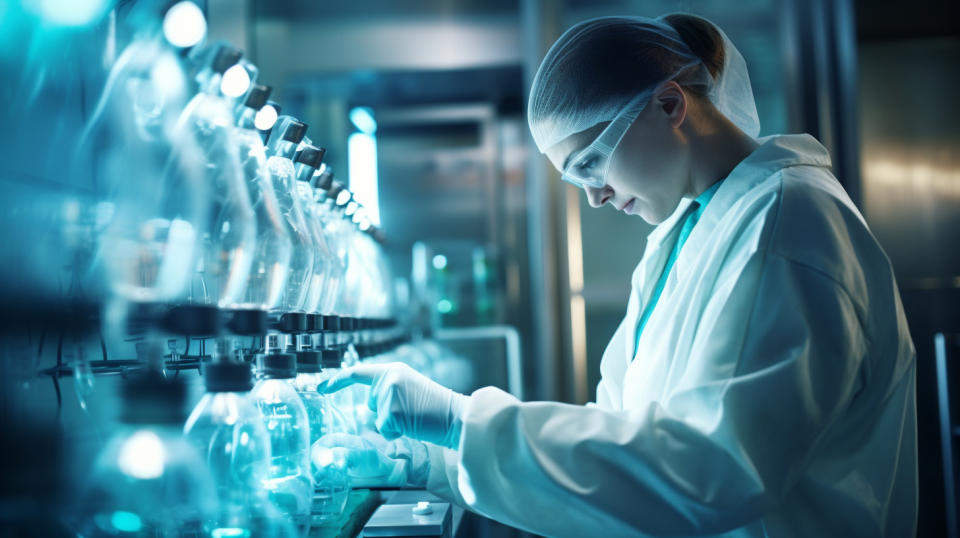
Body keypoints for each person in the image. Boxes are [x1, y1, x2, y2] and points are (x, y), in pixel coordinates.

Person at [317, 13, 917, 537]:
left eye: (591, 164)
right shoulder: (686, 234)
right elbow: (620, 435)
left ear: (669, 105)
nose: (596, 197)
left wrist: (460, 419)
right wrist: (433, 462)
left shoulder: (787, 223)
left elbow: (706, 472)